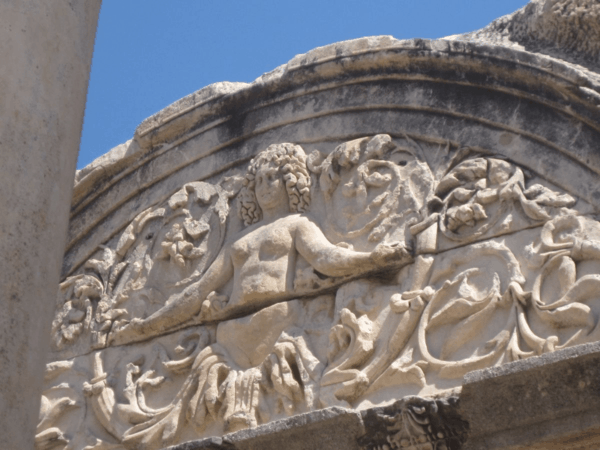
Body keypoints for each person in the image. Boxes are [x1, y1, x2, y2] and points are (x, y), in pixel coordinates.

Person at [115, 143, 409, 356]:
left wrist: (371, 258)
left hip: (280, 323)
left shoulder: (297, 224)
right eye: (258, 182)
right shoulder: (238, 242)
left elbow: (325, 258)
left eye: (273, 178)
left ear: (290, 180)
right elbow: (199, 291)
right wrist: (147, 325)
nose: (265, 187)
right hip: (231, 334)